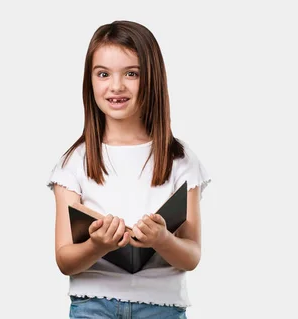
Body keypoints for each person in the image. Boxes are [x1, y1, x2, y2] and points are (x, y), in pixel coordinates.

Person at [46, 20, 211, 318]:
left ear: (152, 79)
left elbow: (191, 256)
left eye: (131, 74)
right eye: (103, 74)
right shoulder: (74, 162)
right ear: (90, 81)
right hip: (92, 307)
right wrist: (97, 245)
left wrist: (163, 240)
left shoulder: (181, 159)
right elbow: (64, 260)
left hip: (161, 310)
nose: (116, 86)